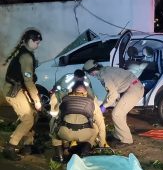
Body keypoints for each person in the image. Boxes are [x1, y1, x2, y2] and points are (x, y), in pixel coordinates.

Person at [2, 28, 43, 161]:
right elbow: (28, 81)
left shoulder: (26, 53)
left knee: (32, 115)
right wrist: (37, 100)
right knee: (28, 118)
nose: (38, 45)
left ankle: (27, 145)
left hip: (17, 88)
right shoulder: (26, 56)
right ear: (30, 41)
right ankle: (10, 147)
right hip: (13, 91)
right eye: (37, 42)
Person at [83, 59, 144, 146]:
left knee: (117, 114)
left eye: (89, 73)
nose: (91, 75)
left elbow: (113, 95)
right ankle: (118, 136)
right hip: (131, 87)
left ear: (92, 71)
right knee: (119, 113)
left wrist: (104, 106)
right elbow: (111, 92)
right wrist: (103, 104)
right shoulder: (104, 71)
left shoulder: (105, 75)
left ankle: (127, 140)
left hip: (134, 89)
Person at [51, 81, 107, 161]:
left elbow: (56, 117)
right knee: (97, 128)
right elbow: (101, 124)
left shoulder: (64, 100)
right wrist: (102, 144)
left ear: (73, 90)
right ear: (85, 92)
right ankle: (84, 152)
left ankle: (60, 156)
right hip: (85, 134)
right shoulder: (92, 103)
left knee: (55, 132)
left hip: (66, 133)